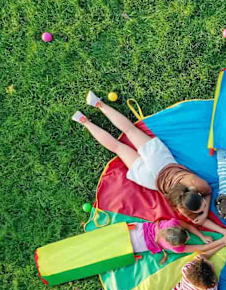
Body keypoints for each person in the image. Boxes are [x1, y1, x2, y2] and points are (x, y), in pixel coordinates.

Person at [72, 91, 215, 226]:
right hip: (149, 179)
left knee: (130, 130)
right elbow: (199, 220)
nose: (204, 207)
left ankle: (98, 104)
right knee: (117, 148)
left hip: (159, 161)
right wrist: (203, 212)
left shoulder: (196, 183)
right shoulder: (181, 205)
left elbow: (207, 191)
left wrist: (204, 203)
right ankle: (84, 121)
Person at [128, 217, 219, 263]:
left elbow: (188, 226)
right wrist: (222, 241)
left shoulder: (173, 223)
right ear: (177, 245)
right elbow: (201, 247)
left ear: (176, 227)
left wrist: (202, 236)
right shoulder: (175, 248)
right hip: (139, 241)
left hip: (137, 230)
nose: (189, 238)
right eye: (186, 240)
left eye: (186, 235)